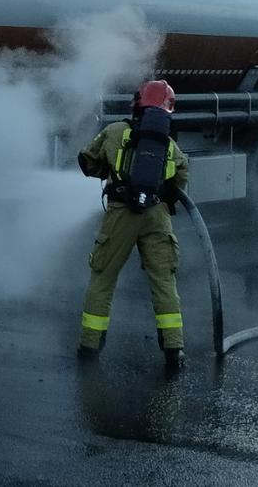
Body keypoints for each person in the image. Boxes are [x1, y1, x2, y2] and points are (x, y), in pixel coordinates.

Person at [74, 79, 190, 369]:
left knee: (103, 278)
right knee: (164, 282)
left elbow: (87, 161)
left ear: (137, 104)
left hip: (120, 214)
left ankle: (89, 347)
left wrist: (111, 171)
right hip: (157, 217)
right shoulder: (170, 145)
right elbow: (181, 178)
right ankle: (174, 351)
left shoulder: (114, 132)